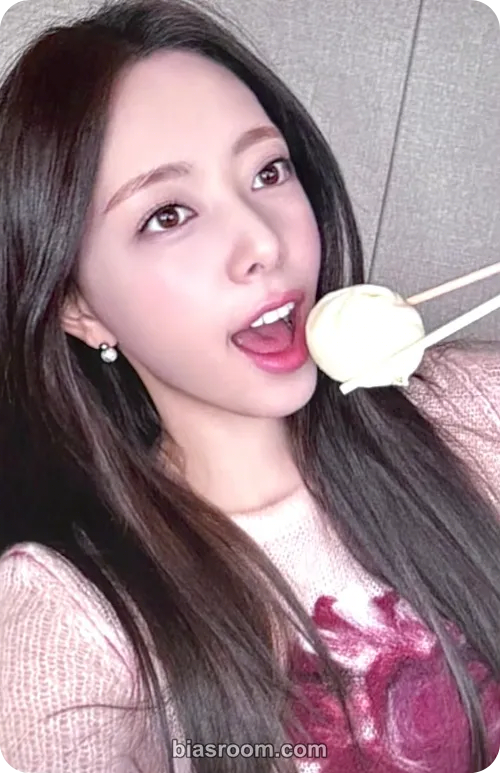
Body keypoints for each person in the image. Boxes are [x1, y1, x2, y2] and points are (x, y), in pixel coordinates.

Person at [0, 1, 500, 771]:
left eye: (268, 171)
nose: (264, 242)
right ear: (79, 306)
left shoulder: (473, 412)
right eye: (169, 214)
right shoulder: (73, 620)